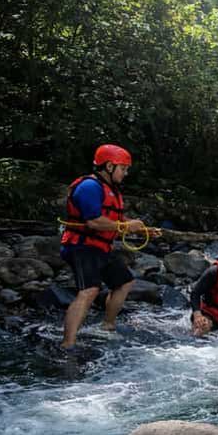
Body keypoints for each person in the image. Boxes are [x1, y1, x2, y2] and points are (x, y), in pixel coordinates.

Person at [60, 144, 160, 349]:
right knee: (89, 290)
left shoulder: (110, 190)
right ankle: (68, 344)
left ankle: (107, 326)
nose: (126, 173)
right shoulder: (89, 187)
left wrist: (143, 230)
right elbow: (94, 222)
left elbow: (115, 220)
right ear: (108, 166)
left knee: (125, 281)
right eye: (123, 168)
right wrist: (125, 225)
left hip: (100, 247)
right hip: (81, 247)